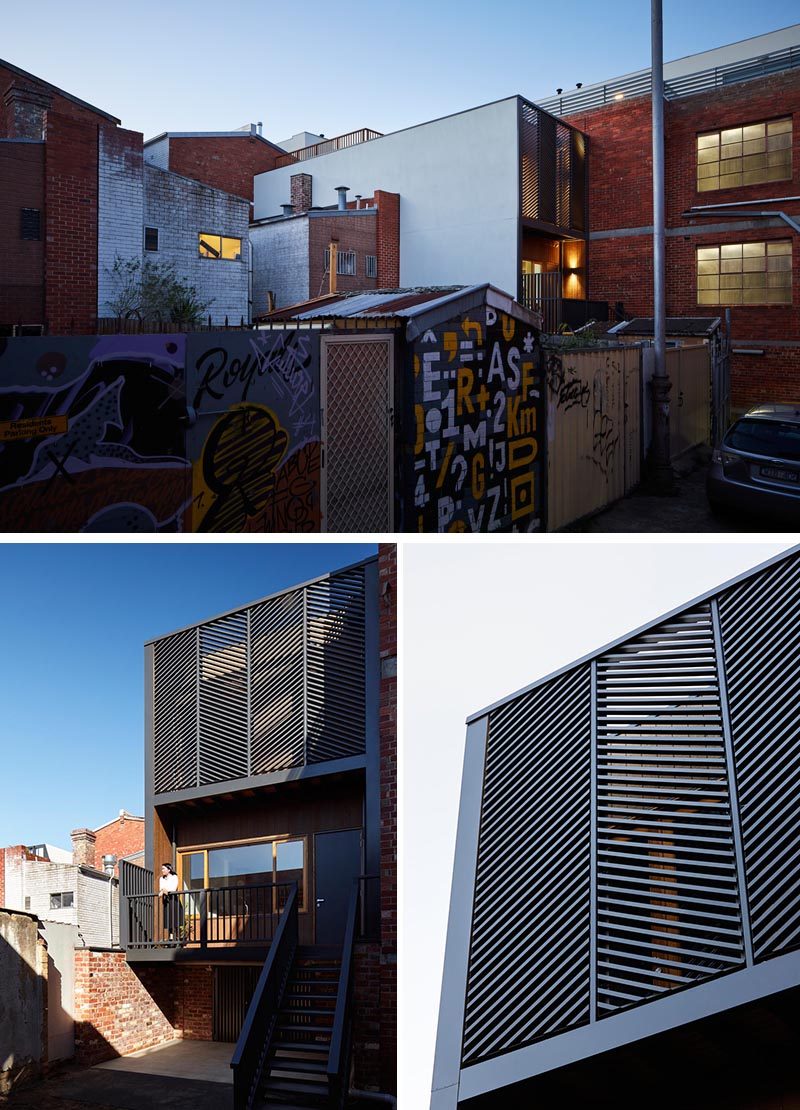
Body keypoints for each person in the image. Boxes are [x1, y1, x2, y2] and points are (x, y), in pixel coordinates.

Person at [159, 862, 184, 942]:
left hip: (174, 900)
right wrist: (163, 890)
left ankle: (177, 938)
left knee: (175, 919)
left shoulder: (174, 877)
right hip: (166, 901)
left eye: (163, 868)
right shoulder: (161, 878)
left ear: (169, 869)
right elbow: (161, 888)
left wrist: (164, 890)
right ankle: (170, 938)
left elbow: (173, 889)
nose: (162, 870)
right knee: (168, 920)